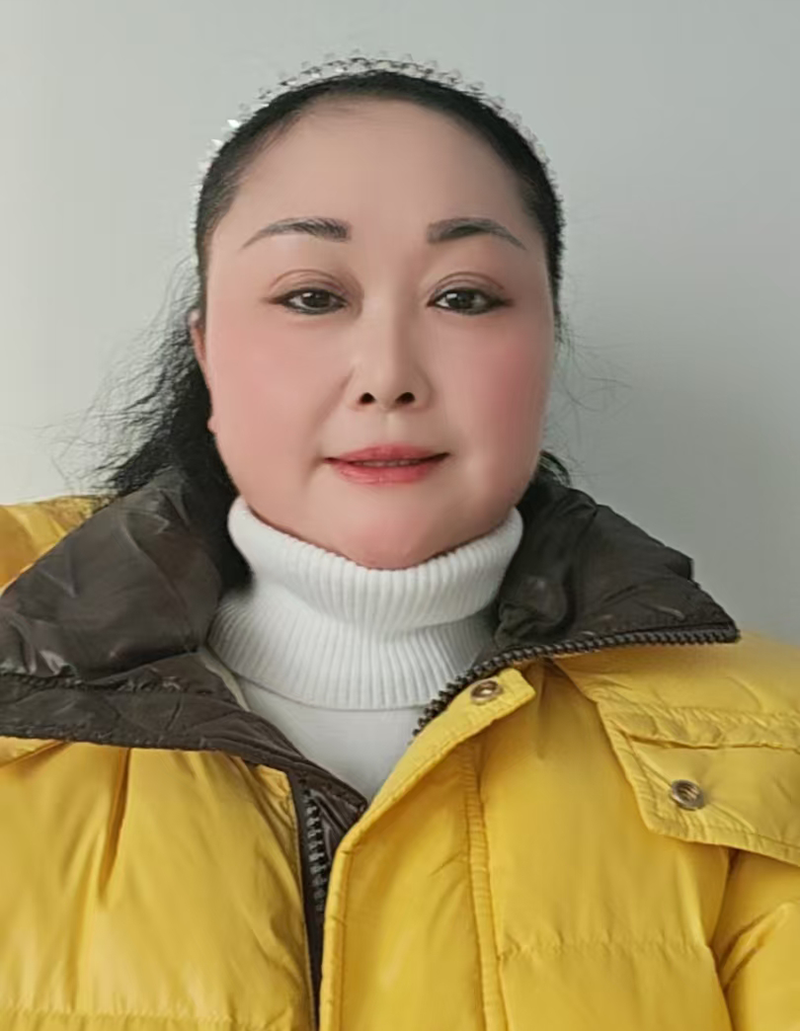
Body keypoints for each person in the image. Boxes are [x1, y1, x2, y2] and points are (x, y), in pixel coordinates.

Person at [0, 52, 798, 1031]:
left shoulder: (773, 743)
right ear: (208, 351)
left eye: (464, 296)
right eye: (311, 295)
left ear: (546, 342)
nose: (388, 374)